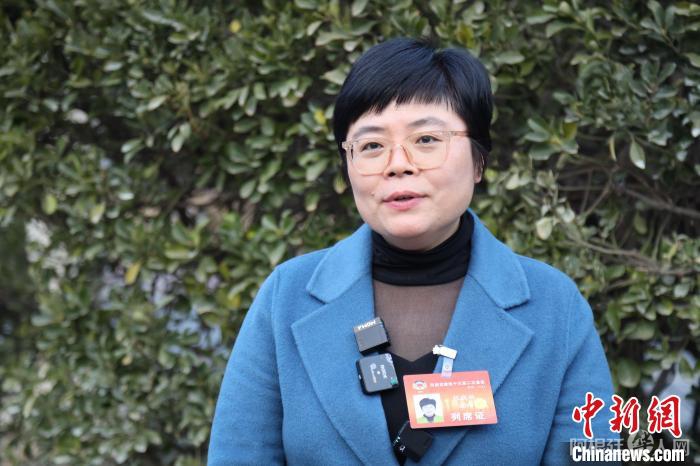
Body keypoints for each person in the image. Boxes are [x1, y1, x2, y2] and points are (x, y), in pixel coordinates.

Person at [207, 37, 617, 465]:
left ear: (478, 161)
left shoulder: (554, 307)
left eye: (426, 139)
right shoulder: (287, 298)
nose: (398, 163)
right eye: (371, 145)